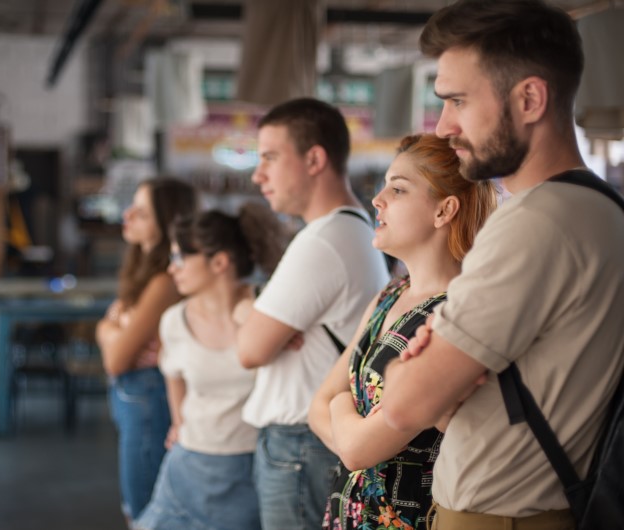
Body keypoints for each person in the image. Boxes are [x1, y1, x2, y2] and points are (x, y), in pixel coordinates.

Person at [378, 2, 624, 529]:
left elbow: (401, 404)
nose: (443, 127)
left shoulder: (531, 224)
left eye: (458, 101)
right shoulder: (602, 207)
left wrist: (418, 364)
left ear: (530, 98)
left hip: (497, 516)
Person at [309, 134, 497, 530]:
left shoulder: (453, 314)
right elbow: (316, 406)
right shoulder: (390, 294)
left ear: (444, 210)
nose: (377, 200)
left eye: (397, 189)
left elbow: (357, 449)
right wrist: (349, 429)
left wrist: (342, 409)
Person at [236, 97, 390, 530]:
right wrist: (259, 315)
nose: (257, 174)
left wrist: (254, 318)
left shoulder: (323, 239)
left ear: (314, 159)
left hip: (300, 447)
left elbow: (249, 348)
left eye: (269, 157)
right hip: (309, 442)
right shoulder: (350, 227)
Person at [135, 203, 287, 530]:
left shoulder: (268, 309)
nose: (171, 268)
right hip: (188, 465)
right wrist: (178, 421)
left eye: (180, 258)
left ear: (219, 262)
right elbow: (172, 375)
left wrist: (247, 313)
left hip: (251, 467)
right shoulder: (173, 321)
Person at [96, 177, 198, 524]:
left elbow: (115, 358)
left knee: (144, 513)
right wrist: (112, 330)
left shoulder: (163, 281)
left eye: (141, 212)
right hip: (137, 396)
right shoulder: (144, 274)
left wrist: (112, 330)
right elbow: (107, 326)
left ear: (166, 223)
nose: (128, 215)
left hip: (148, 398)